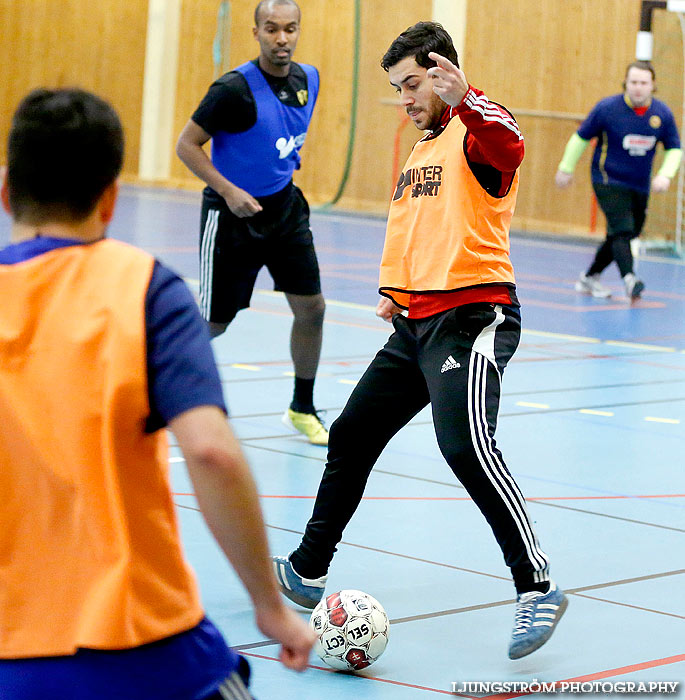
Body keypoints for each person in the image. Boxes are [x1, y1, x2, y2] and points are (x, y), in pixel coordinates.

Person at [0, 87, 315, 700]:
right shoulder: (146, 290)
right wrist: (269, 605)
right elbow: (212, 453)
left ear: (7, 191)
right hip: (144, 643)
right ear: (111, 199)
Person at [272, 22, 567, 661]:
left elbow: (510, 147)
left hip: (473, 317)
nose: (404, 98)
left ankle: (537, 585)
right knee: (352, 433)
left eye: (412, 84)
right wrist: (397, 291)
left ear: (442, 73)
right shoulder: (422, 148)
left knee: (464, 443)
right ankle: (307, 568)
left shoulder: (478, 130)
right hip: (416, 323)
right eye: (397, 87)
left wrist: (467, 99)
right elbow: (421, 226)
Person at [176, 0, 328, 445]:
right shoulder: (232, 89)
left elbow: (284, 135)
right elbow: (187, 145)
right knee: (214, 322)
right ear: (257, 31)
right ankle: (155, 386)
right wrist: (229, 190)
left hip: (284, 213)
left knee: (313, 309)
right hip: (231, 218)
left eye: (290, 29)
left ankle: (302, 406)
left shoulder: (309, 80)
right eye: (272, 29)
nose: (282, 38)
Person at [555, 61, 682, 300]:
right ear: (626, 83)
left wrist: (665, 175)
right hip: (607, 179)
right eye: (633, 82)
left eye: (643, 83)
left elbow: (675, 148)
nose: (638, 88)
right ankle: (630, 279)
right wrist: (566, 168)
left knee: (623, 234)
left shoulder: (662, 114)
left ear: (652, 86)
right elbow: (580, 138)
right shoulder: (607, 108)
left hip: (639, 185)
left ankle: (589, 277)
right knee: (622, 229)